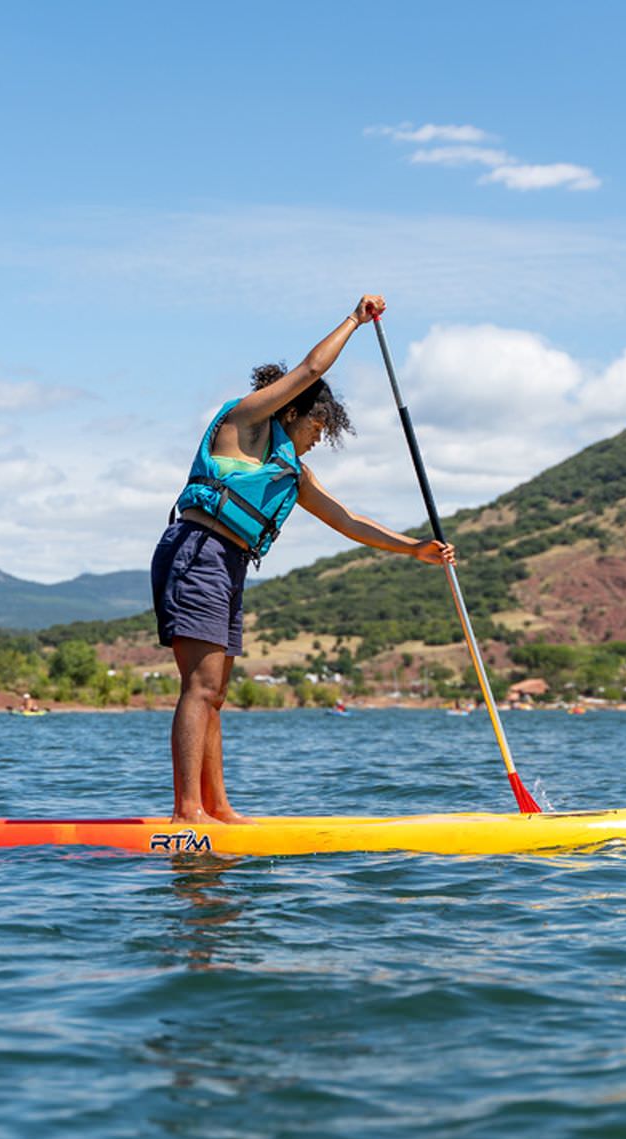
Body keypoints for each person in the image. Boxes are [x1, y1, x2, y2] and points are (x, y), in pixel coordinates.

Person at [151, 293, 454, 824]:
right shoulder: (242, 424)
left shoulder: (292, 473)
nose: (316, 442)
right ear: (292, 411)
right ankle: (187, 813)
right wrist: (355, 322)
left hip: (230, 565)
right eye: (317, 431)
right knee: (199, 687)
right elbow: (313, 367)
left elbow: (347, 520)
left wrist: (415, 550)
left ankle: (217, 809)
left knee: (216, 693)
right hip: (197, 553)